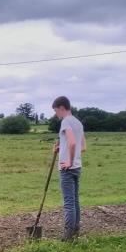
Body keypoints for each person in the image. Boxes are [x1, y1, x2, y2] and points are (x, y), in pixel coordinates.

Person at [52, 96, 86, 242]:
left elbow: (72, 143)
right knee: (75, 201)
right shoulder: (78, 122)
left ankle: (68, 235)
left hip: (68, 168)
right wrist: (62, 148)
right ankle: (76, 230)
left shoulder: (66, 122)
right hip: (77, 167)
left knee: (68, 203)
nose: (56, 115)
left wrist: (69, 162)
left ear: (61, 108)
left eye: (55, 111)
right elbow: (82, 147)